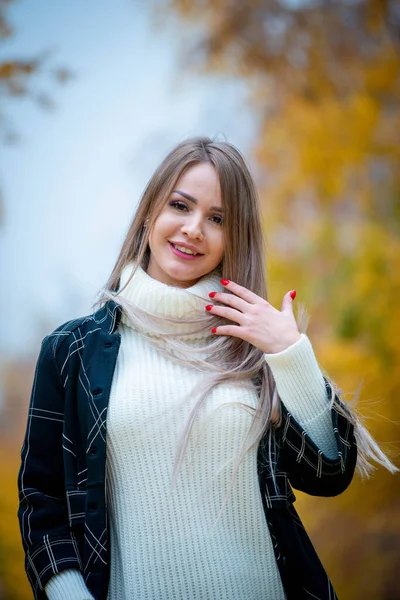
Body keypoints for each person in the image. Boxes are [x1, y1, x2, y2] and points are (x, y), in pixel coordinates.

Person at [18, 136, 396, 600]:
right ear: (150, 212)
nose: (194, 228)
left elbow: (328, 474)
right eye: (181, 205)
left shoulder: (255, 345)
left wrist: (291, 355)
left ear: (233, 238)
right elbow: (43, 507)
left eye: (217, 219)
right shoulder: (70, 351)